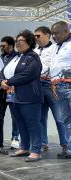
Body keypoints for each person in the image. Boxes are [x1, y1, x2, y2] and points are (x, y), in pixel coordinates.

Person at [2, 30, 43, 162]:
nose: (18, 43)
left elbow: (27, 74)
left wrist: (8, 81)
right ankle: (24, 147)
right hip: (13, 97)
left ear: (29, 42)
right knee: (20, 123)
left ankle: (36, 150)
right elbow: (2, 72)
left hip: (29, 97)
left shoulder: (33, 57)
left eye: (21, 41)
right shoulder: (15, 57)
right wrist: (1, 80)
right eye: (17, 41)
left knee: (33, 124)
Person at [34, 26, 68, 154]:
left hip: (52, 88)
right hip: (38, 89)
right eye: (35, 36)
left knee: (60, 118)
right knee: (41, 118)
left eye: (38, 36)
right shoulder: (34, 51)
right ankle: (43, 143)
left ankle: (65, 144)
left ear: (47, 35)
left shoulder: (55, 49)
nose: (36, 38)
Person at [50, 21, 71, 158]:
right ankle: (70, 149)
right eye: (52, 34)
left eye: (56, 33)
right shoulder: (54, 47)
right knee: (66, 120)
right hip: (57, 88)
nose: (54, 36)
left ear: (66, 31)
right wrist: (53, 84)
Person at [0, 36, 20, 149]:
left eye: (4, 45)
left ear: (11, 46)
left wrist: (10, 82)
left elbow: (19, 73)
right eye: (0, 46)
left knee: (15, 115)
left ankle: (15, 137)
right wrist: (1, 81)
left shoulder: (18, 57)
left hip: (13, 90)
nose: (1, 48)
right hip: (1, 91)